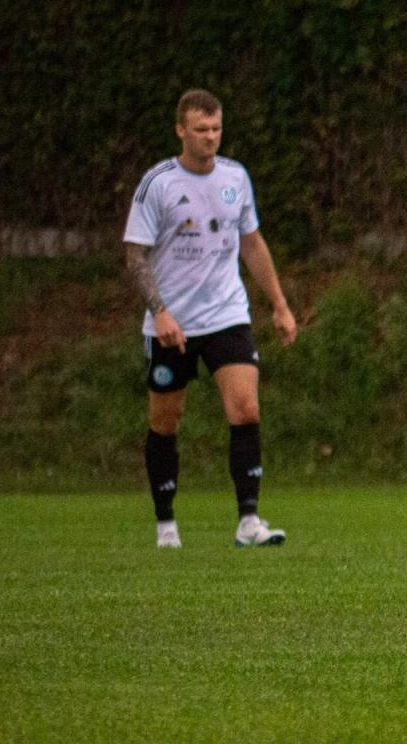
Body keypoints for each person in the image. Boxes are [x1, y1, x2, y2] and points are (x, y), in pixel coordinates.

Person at [125, 89, 298, 549]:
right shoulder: (158, 183)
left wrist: (279, 304)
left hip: (227, 314)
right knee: (166, 421)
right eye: (201, 129)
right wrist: (160, 312)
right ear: (181, 131)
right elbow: (135, 255)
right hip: (172, 324)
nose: (210, 137)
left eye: (217, 128)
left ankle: (249, 521)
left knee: (246, 408)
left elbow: (252, 243)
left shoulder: (236, 177)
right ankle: (166, 524)